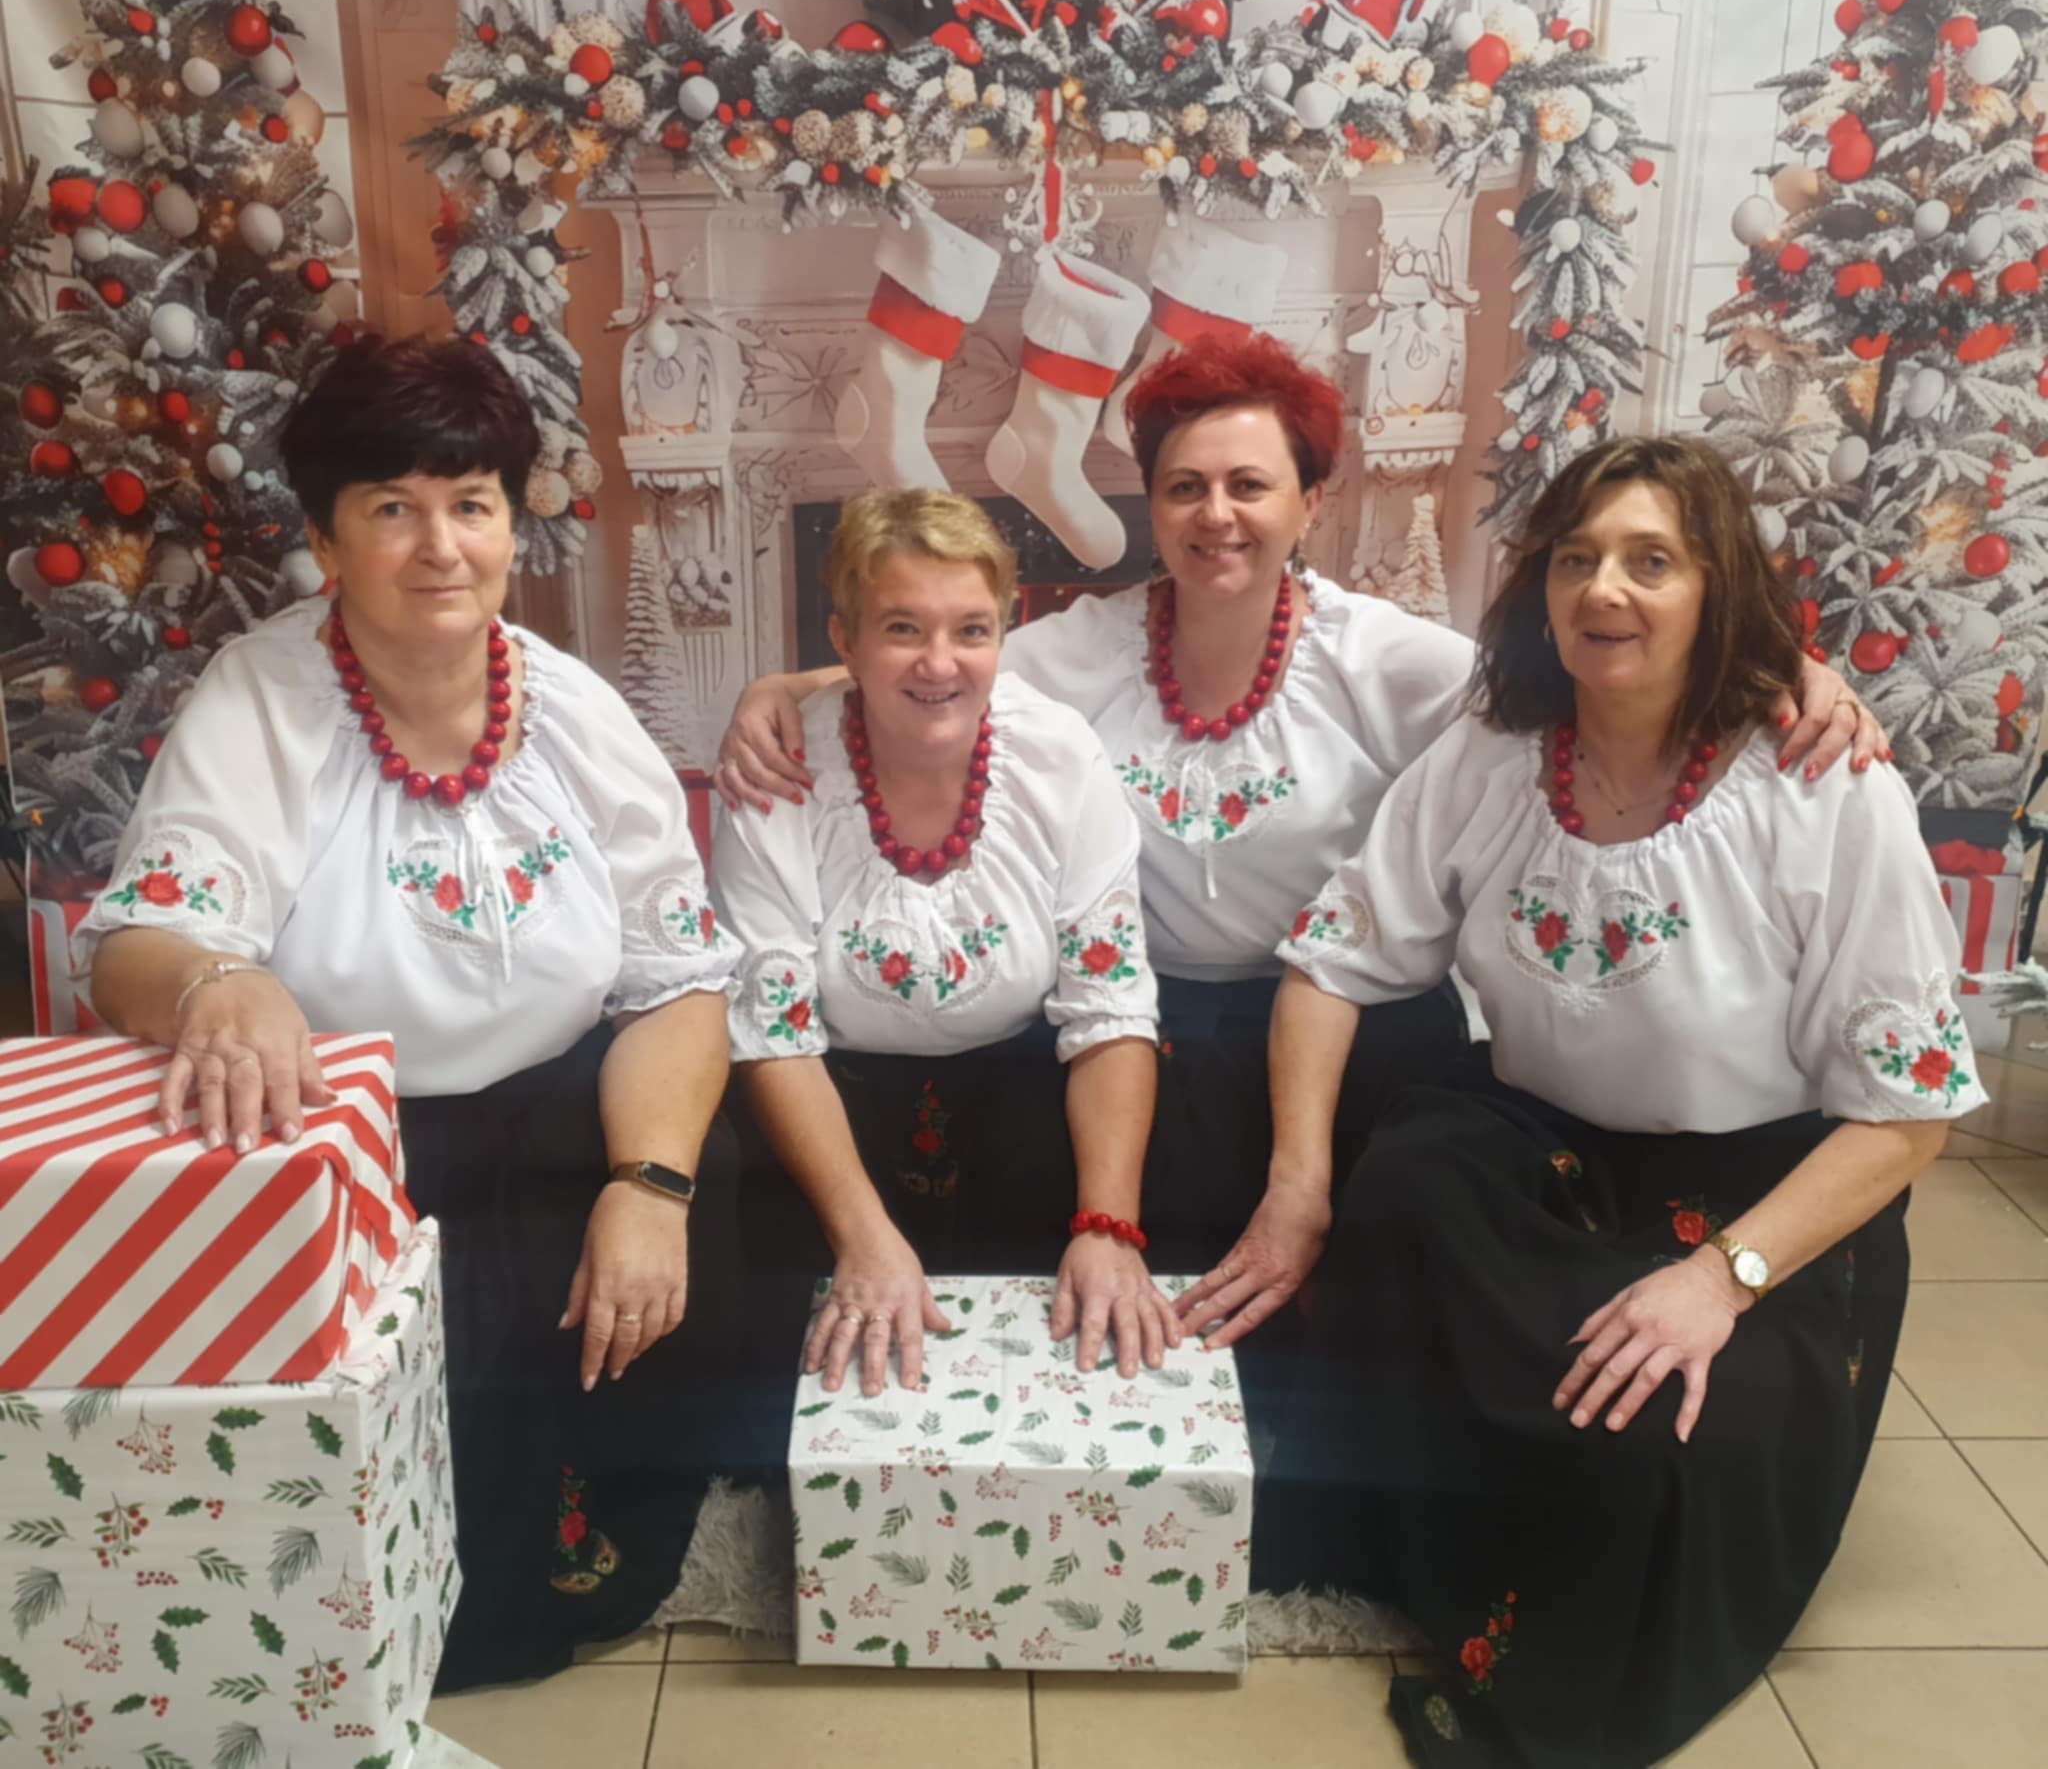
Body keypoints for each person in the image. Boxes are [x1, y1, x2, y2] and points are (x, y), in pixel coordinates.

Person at [712, 336, 1889, 1346]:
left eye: (1248, 484)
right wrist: (782, 689)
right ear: (1151, 503)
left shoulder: (1389, 661)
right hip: (1152, 1022)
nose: (1214, 514)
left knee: (1369, 1259)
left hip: (1341, 1027)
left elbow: (1581, 674)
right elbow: (938, 667)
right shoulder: (1076, 653)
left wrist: (1784, 668)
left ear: (1308, 502)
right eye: (1183, 487)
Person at [1269, 434, 1977, 1767]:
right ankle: (1407, 1543)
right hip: (1539, 1156)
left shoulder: (1825, 788)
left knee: (1649, 1429)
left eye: (1652, 561)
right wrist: (1296, 1189)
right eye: (1577, 558)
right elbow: (1329, 963)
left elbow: (1910, 1116)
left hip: (1761, 1203)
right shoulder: (1491, 755)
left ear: (1716, 590)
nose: (1604, 589)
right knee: (1400, 1191)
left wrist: (1719, 1278)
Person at [77, 336, 739, 1690]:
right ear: (328, 540)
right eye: (394, 507)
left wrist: (651, 1185)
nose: (442, 546)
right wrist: (217, 979)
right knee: (408, 1559)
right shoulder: (265, 700)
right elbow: (131, 944)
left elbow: (678, 984)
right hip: (358, 1152)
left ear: (509, 524)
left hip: (570, 1131)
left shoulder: (572, 710)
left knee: (705, 1212)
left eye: (471, 503)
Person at [712, 489, 1171, 1397]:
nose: (939, 663)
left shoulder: (1060, 757)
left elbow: (1110, 1008)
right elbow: (774, 1032)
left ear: (1004, 632)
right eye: (901, 628)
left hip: (1027, 1117)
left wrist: (1106, 1226)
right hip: (825, 1129)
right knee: (811, 1389)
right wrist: (862, 1237)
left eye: (971, 630)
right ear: (843, 641)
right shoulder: (778, 770)